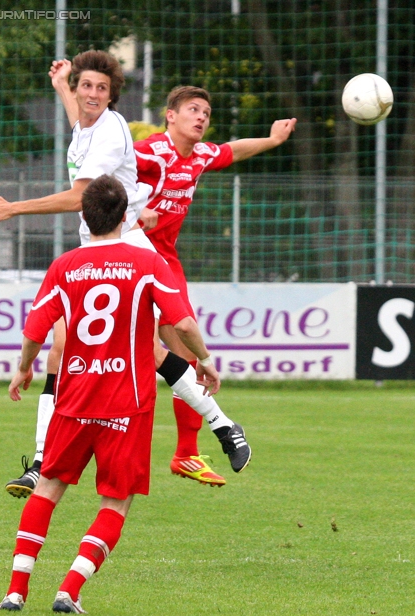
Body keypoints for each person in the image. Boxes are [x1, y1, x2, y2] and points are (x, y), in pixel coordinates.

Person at [0, 51, 251, 495]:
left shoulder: (112, 132)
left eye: (101, 88)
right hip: (94, 243)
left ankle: (219, 424)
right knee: (72, 349)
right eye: (86, 86)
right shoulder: (89, 122)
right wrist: (62, 85)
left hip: (122, 242)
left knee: (138, 344)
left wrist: (13, 208)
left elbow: (80, 197)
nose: (92, 94)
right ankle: (222, 425)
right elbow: (80, 122)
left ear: (112, 94)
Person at [51, 72, 296, 483]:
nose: (201, 118)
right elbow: (106, 169)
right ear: (170, 116)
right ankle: (58, 450)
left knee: (176, 346)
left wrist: (271, 140)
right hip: (127, 252)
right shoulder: (149, 152)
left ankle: (187, 451)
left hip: (164, 259)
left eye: (206, 112)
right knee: (142, 348)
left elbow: (232, 150)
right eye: (193, 110)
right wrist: (134, 208)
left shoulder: (199, 155)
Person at [0, 173, 222, 614]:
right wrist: (205, 360)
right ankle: (69, 589)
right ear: (126, 215)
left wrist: (23, 370)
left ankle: (16, 591)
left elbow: (34, 331)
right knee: (116, 501)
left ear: (84, 214)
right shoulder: (147, 262)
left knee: (47, 488)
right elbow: (183, 324)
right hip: (127, 402)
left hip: (75, 398)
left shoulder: (65, 266)